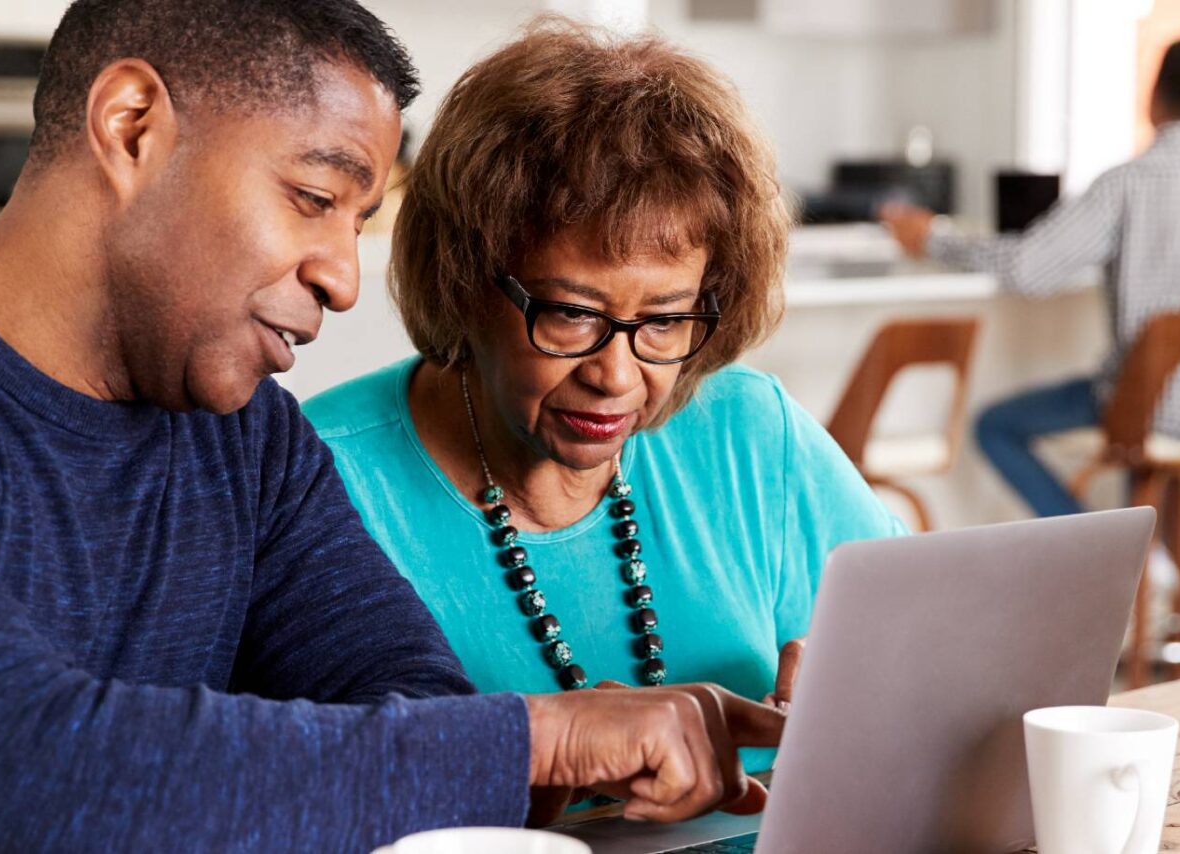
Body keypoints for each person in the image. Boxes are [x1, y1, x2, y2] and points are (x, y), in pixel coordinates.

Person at [0, 2, 782, 851]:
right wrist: (541, 733)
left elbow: (417, 716)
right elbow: (28, 764)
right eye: (314, 196)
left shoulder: (247, 441)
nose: (342, 274)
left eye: (361, 217)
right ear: (133, 125)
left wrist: (153, 788)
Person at [301, 21, 903, 775]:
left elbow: (941, 642)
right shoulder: (313, 480)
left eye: (665, 319)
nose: (617, 376)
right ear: (464, 279)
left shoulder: (752, 433)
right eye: (573, 313)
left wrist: (879, 691)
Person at [878, 38, 1180, 519]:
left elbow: (1029, 270)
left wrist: (932, 237)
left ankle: (1112, 548)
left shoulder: (1127, 184)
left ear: (1153, 100)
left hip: (1149, 408)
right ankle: (1173, 577)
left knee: (995, 426)